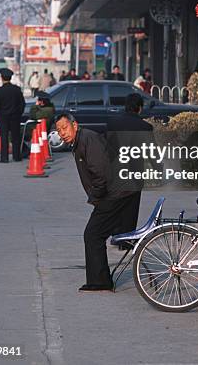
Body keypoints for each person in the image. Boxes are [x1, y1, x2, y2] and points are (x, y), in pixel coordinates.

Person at [55, 112, 142, 292]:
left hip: (118, 191)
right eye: (59, 130)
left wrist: (95, 198)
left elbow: (101, 175)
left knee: (93, 234)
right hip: (120, 189)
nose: (62, 133)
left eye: (65, 128)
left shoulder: (88, 140)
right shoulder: (80, 141)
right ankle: (101, 279)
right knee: (100, 233)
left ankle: (100, 281)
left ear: (75, 125)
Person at [0, 68, 25, 163]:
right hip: (15, 117)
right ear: (10, 78)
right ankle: (16, 156)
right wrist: (19, 113)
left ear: (2, 78)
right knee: (15, 137)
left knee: (4, 137)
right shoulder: (17, 90)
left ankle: (4, 158)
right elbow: (22, 103)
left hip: (3, 117)